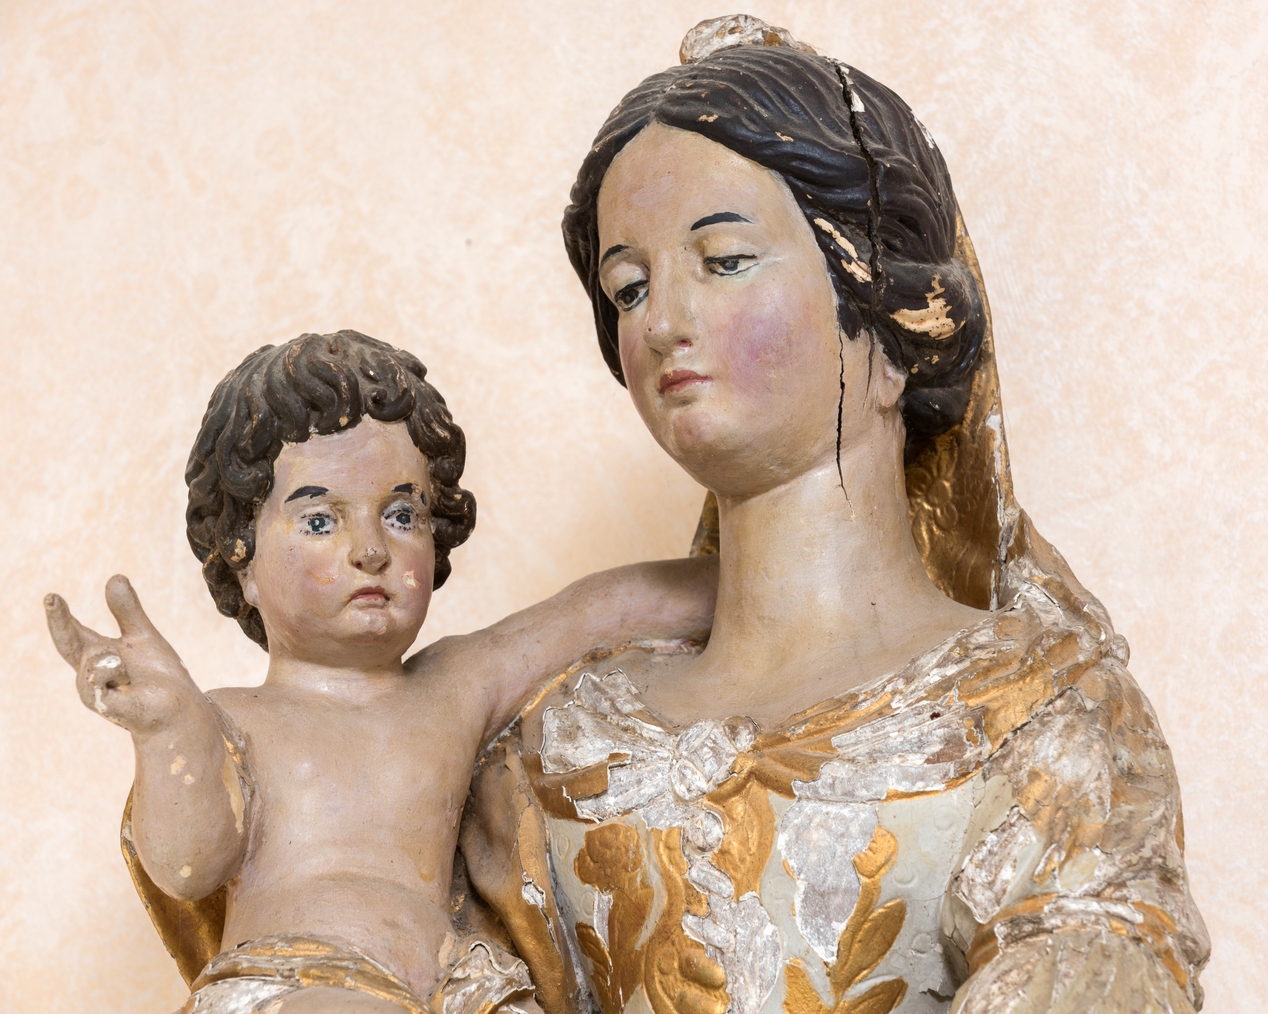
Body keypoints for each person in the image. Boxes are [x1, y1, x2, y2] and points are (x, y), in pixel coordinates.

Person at [458, 16, 1210, 1014]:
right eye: (628, 288)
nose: (661, 322)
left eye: (725, 259)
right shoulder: (558, 744)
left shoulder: (1036, 713)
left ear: (893, 323)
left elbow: (1094, 969)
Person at [45, 330, 717, 1014]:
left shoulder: (455, 684)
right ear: (241, 557)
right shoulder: (231, 720)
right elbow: (188, 866)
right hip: (300, 985)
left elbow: (594, 613)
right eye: (319, 521)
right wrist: (166, 729)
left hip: (460, 993)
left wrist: (761, 566)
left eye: (400, 514)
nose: (370, 549)